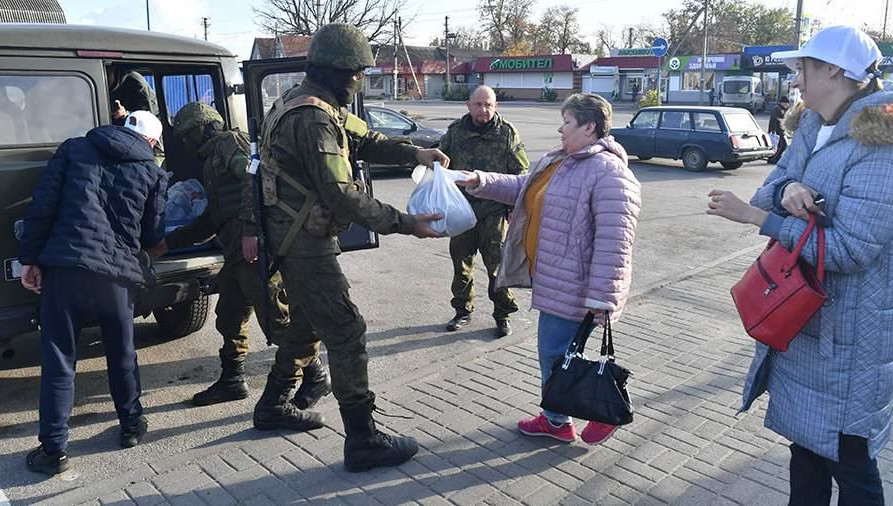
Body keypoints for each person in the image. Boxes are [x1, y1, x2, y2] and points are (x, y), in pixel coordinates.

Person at [248, 23, 450, 472]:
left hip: (293, 237)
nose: (361, 78)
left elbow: (364, 137)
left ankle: (272, 406)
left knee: (307, 324)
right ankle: (362, 439)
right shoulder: (313, 117)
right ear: (341, 72)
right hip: (305, 244)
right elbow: (342, 194)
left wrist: (414, 153)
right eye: (358, 71)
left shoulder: (313, 102)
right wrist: (405, 223)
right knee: (347, 331)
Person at [705, 25, 893, 505]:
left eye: (803, 67)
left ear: (834, 71)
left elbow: (851, 249)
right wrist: (786, 193)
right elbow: (771, 185)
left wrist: (762, 219)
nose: (797, 78)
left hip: (849, 340)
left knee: (851, 465)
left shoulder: (881, 144)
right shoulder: (811, 125)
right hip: (806, 327)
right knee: (805, 453)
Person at [455, 93, 641, 445]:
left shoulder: (610, 174)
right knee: (560, 355)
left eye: (567, 122)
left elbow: (615, 242)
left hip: (576, 287)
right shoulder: (562, 160)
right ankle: (559, 418)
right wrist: (479, 180)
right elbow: (523, 188)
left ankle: (583, 413)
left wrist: (602, 297)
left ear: (589, 127)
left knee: (557, 356)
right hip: (555, 279)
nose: (560, 128)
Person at [148, 102, 332, 415]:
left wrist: (250, 230)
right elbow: (213, 217)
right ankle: (233, 379)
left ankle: (315, 374)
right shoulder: (211, 162)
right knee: (229, 316)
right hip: (235, 253)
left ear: (203, 128)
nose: (187, 143)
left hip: (254, 249)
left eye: (188, 135)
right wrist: (170, 243)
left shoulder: (231, 143)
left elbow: (256, 179)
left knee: (277, 321)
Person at [19, 111, 168, 476]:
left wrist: (30, 260)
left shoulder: (74, 149)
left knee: (59, 359)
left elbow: (42, 206)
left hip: (65, 268)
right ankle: (131, 426)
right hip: (115, 278)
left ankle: (53, 451)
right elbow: (153, 236)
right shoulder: (152, 172)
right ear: (151, 142)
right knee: (122, 352)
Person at [440, 85, 529, 337]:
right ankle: (462, 310)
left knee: (497, 267)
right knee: (461, 264)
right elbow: (441, 166)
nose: (483, 110)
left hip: (494, 213)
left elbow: (520, 175)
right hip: (462, 211)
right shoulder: (455, 133)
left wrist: (514, 210)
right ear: (468, 105)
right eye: (478, 104)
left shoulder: (507, 134)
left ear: (495, 105)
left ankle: (502, 314)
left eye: (488, 104)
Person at [766, 96, 791, 164]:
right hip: (777, 131)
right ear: (781, 103)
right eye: (785, 104)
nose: (786, 105)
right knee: (782, 145)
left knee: (779, 145)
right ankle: (774, 158)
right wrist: (773, 130)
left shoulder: (785, 109)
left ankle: (774, 158)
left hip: (781, 131)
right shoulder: (777, 109)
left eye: (787, 104)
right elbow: (775, 119)